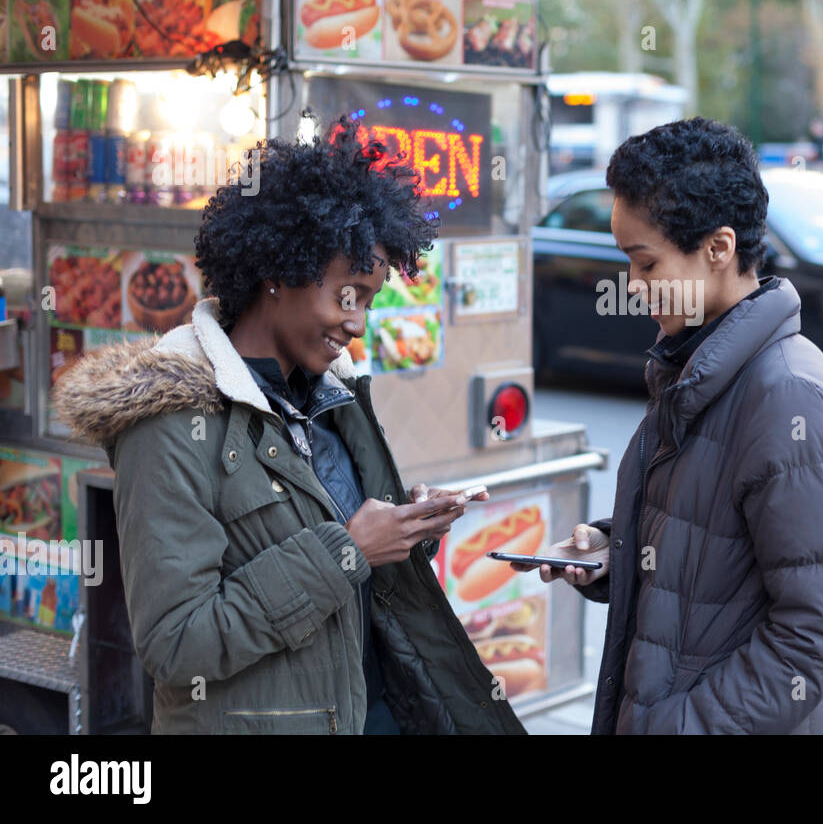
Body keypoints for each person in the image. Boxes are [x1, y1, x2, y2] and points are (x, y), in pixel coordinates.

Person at [53, 116, 525, 735]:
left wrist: (403, 528)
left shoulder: (335, 394)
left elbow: (346, 555)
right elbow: (176, 644)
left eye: (370, 300)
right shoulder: (169, 420)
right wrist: (349, 551)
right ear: (279, 269)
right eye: (349, 295)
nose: (358, 323)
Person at [518, 117, 823, 734]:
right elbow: (714, 547)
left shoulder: (783, 391)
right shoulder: (698, 361)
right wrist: (616, 550)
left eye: (646, 264)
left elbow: (817, 634)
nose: (634, 285)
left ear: (719, 249)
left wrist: (678, 727)